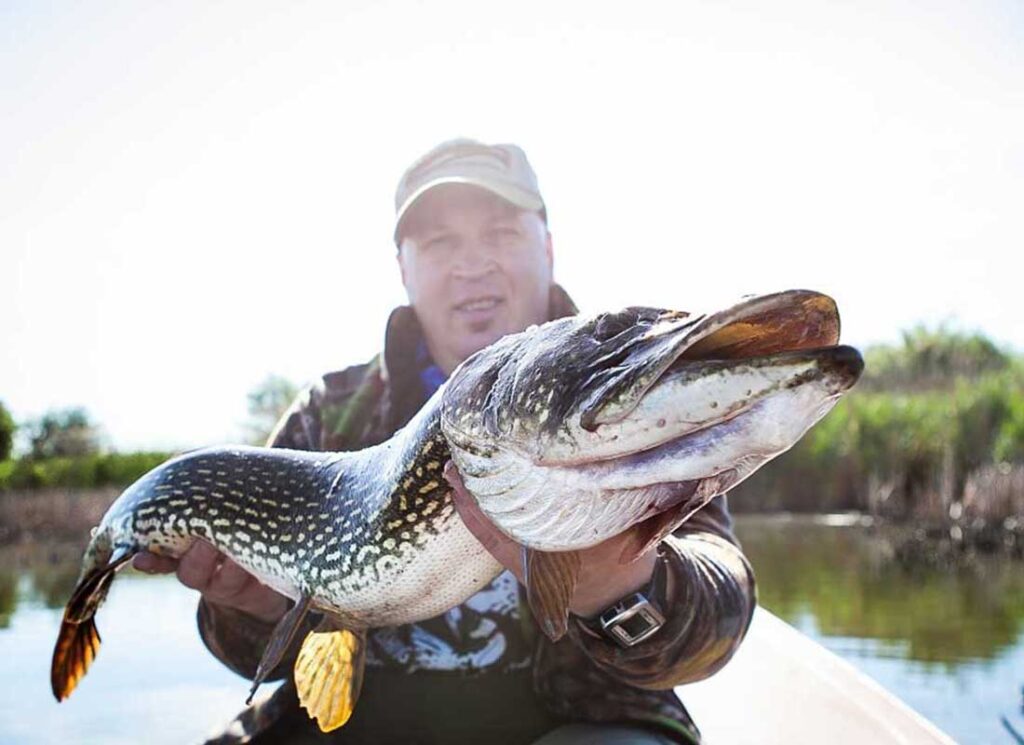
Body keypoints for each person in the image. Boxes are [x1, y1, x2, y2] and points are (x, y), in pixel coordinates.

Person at [133, 139, 756, 744]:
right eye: (440, 242)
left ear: (548, 247)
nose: (472, 264)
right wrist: (255, 609)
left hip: (585, 718)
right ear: (403, 268)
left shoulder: (619, 394)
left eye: (501, 233)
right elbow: (251, 660)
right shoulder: (329, 416)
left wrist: (620, 590)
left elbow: (719, 619)